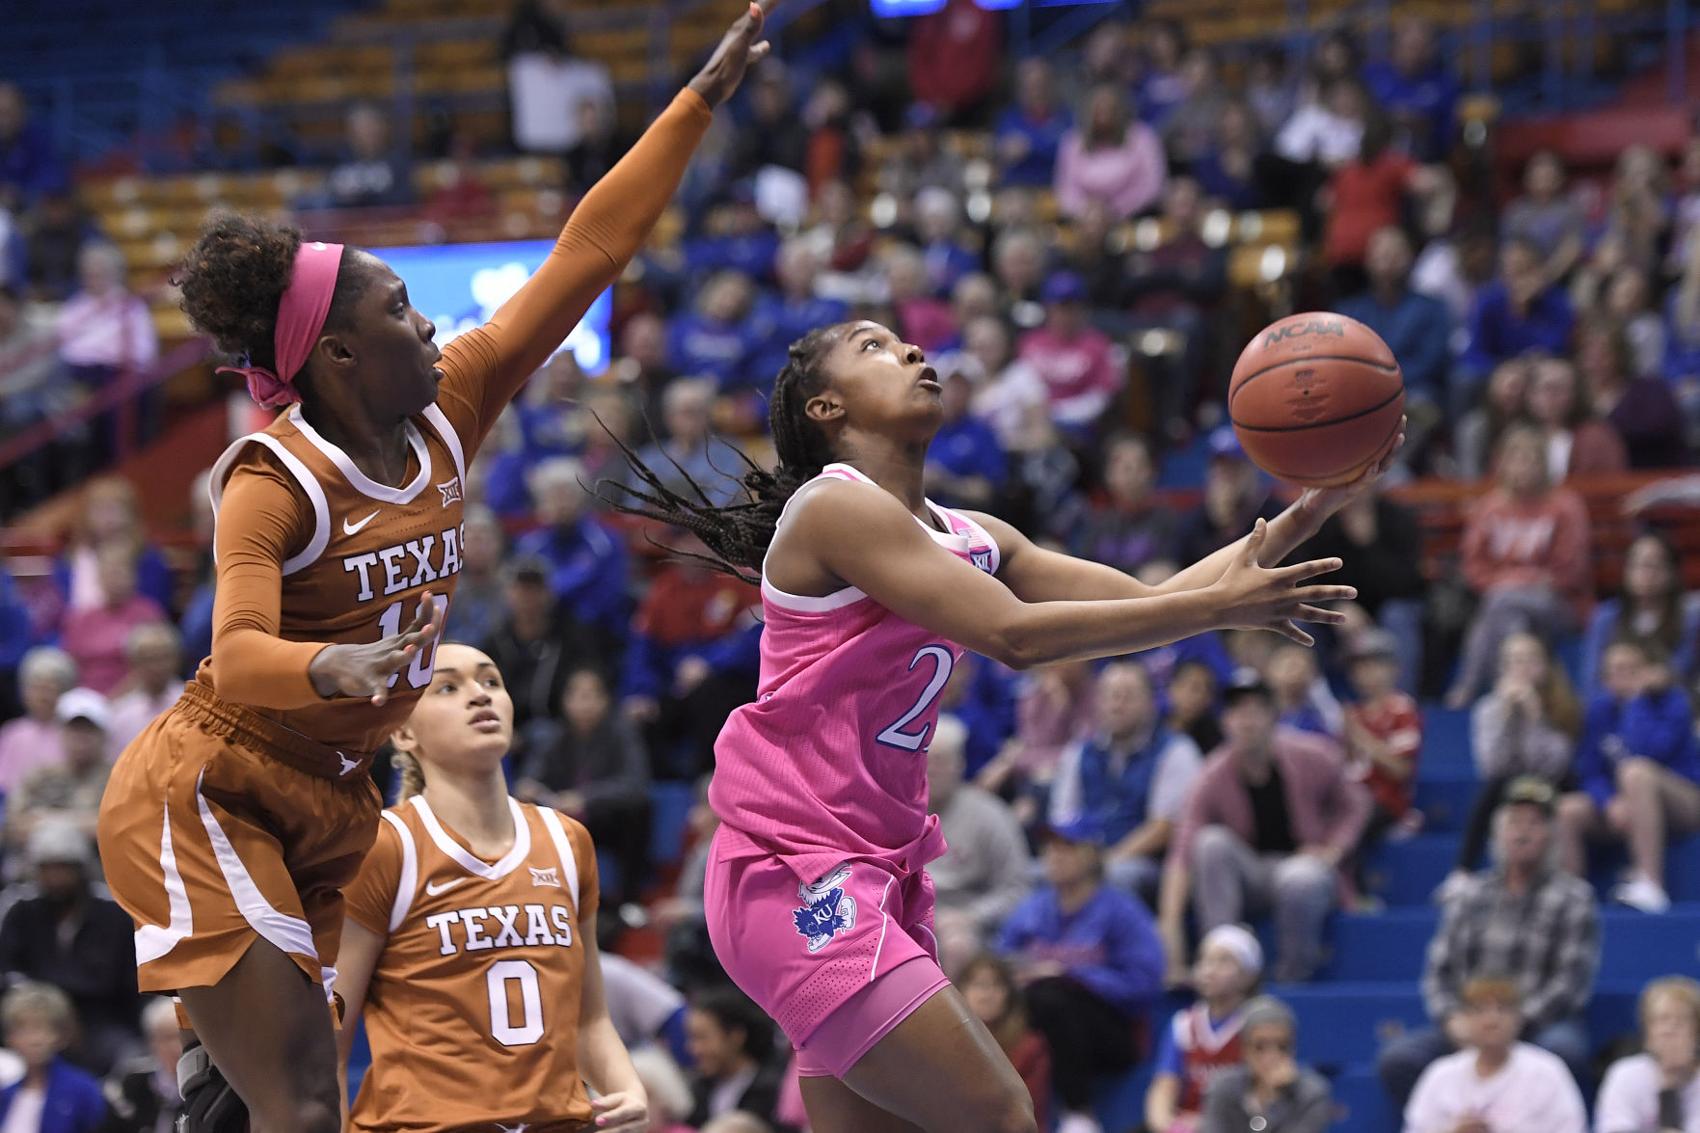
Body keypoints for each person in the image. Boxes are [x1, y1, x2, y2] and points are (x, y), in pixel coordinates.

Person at [92, 13, 770, 1133]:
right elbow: (236, 654)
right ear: (341, 354)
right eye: (400, 308)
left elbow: (588, 252)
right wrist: (335, 663)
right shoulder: (274, 479)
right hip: (212, 786)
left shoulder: (450, 400)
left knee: (251, 1097)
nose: (430, 320)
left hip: (335, 789)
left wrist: (694, 101)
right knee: (309, 1100)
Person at [608, 300, 1387, 1131]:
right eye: (875, 346)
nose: (911, 348)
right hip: (793, 869)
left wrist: (1310, 510)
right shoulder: (832, 507)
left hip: (877, 869)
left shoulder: (970, 533)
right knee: (1003, 1115)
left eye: (905, 339)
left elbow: (1152, 601)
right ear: (825, 409)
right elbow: (1013, 635)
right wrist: (1220, 611)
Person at [334, 643, 647, 1132]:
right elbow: (328, 1036)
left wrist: (625, 1086)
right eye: (448, 688)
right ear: (403, 731)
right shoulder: (385, 846)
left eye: (490, 682)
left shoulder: (567, 841)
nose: (479, 696)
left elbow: (589, 1020)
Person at [1377, 778, 1597, 1107]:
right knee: (1397, 1061)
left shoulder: (1574, 898)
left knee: (1566, 1051)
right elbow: (1439, 971)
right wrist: (1454, 1019)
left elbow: (1569, 984)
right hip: (1468, 1023)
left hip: (1536, 1027)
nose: (1523, 832)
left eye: (1535, 823)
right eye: (1514, 822)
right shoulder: (1469, 894)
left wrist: (1509, 1023)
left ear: (1551, 834)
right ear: (1498, 833)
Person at [1160, 671, 1371, 984]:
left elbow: (1355, 803)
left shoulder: (1313, 754)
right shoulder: (1212, 774)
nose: (1247, 721)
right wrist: (1170, 927)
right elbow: (1183, 851)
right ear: (1224, 721)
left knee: (1299, 876)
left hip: (1307, 867)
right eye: (1236, 711)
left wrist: (1334, 849)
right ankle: (1223, 965)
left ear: (1274, 716)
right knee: (1210, 843)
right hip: (1253, 874)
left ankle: (1293, 981)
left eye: (1256, 710)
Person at [998, 820, 1165, 1133]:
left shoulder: (1122, 910)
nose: (1055, 856)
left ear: (1091, 856)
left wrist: (1072, 974)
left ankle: (1079, 1113)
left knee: (1051, 995)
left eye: (1067, 848)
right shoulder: (1033, 908)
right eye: (1050, 848)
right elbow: (1000, 963)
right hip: (1043, 1018)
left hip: (1113, 1033)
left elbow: (1144, 981)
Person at [1445, 425, 1592, 708]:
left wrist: (1514, 581)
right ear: (1502, 463)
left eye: (1531, 459)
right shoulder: (1489, 507)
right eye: (1516, 458)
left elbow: (1570, 569)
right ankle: (1518, 688)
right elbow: (1473, 565)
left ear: (1544, 464)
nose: (1523, 466)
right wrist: (1511, 584)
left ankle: (1469, 684)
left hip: (1560, 603)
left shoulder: (1565, 505)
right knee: (1509, 613)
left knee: (1501, 603)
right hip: (1503, 602)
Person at [1556, 639, 1700, 913]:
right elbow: (1590, 771)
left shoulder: (1672, 702)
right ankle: (1572, 900)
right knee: (1566, 809)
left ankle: (1650, 882)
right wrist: (1608, 801)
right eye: (1615, 671)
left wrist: (1638, 703)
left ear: (1648, 670)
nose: (1623, 677)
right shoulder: (1599, 711)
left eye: (1632, 669)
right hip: (1625, 806)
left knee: (1636, 772)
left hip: (1684, 801)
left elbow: (1650, 749)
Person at [1047, 662, 1204, 897]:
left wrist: (1106, 861)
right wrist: (1079, 861)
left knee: (1118, 877)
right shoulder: (1079, 752)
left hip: (1147, 864)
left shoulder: (1176, 750)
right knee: (1035, 875)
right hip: (1084, 858)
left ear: (1151, 703)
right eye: (1110, 696)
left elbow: (1164, 827)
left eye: (1127, 697)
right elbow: (1063, 819)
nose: (1116, 705)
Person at [0, 822, 138, 1073]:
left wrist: (73, 1012)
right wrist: (42, 1002)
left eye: (63, 869)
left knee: (129, 1059)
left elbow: (123, 977)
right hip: (33, 1013)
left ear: (82, 870)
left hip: (99, 1018)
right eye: (47, 870)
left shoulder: (112, 914)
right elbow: (8, 968)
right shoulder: (21, 911)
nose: (55, 878)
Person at [516, 666, 651, 906]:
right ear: (566, 701)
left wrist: (585, 798)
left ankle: (628, 903)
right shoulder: (555, 736)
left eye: (591, 696)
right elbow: (531, 778)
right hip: (564, 819)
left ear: (605, 700)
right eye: (577, 695)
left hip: (606, 819)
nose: (584, 703)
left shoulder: (622, 733)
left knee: (638, 812)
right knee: (524, 814)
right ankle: (534, 898)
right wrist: (530, 788)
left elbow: (635, 784)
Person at [1452, 632, 1580, 876]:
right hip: (1506, 785)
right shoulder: (1487, 709)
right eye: (1514, 661)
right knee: (1492, 789)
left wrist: (1534, 717)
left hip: (1553, 783)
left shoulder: (1563, 704)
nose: (1522, 668)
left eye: (1530, 660)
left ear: (1544, 667)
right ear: (1503, 668)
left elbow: (1555, 766)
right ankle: (1463, 872)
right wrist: (1507, 718)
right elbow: (1491, 765)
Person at [1401, 977, 1587, 1133]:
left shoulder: (1547, 1071)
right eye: (1480, 1010)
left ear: (1519, 1017)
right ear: (1464, 1018)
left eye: (1503, 1009)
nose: (1491, 1020)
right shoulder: (1440, 1074)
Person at [925, 717, 1033, 975]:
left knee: (956, 945)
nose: (932, 770)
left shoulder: (990, 815)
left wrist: (972, 916)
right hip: (910, 916)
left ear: (959, 765)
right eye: (926, 760)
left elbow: (1017, 888)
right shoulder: (897, 814)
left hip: (969, 919)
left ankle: (955, 1017)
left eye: (941, 761)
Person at [1146, 924, 1262, 1133]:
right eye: (1205, 959)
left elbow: (1264, 1098)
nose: (1210, 969)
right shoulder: (1183, 1024)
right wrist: (1171, 1127)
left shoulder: (1257, 1024)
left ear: (1248, 975)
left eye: (1224, 960)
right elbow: (1163, 1090)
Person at [1336, 227, 1452, 430]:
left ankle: (1397, 462)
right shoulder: (1348, 312)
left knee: (1421, 406)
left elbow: (1432, 360)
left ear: (1410, 257)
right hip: (1362, 392)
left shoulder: (1432, 307)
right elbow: (1339, 362)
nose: (1389, 261)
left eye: (1395, 253)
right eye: (1382, 254)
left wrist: (1386, 382)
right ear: (1368, 261)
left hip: (1413, 390)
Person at [1582, 530, 1700, 702]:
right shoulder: (1606, 617)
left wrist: (1658, 678)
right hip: (1617, 706)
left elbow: (1684, 667)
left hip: (1670, 705)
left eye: (1652, 565)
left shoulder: (1688, 617)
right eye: (1636, 564)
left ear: (1671, 572)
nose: (1644, 573)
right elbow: (1591, 677)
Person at [1341, 628, 1422, 855]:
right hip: (1352, 796)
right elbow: (1346, 765)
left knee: (1350, 824)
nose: (1363, 673)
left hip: (1386, 802)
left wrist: (1359, 736)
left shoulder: (1402, 709)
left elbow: (1401, 770)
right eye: (1358, 667)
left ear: (1392, 668)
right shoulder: (1354, 713)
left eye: (1372, 664)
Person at [1199, 996, 1332, 1133]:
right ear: (1244, 1049)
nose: (1271, 1056)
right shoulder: (1222, 1089)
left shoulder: (1311, 1094)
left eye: (1282, 1046)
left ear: (1293, 1049)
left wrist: (1276, 1099)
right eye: (1260, 1046)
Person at [8, 688, 113, 850]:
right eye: (74, 729)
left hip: (99, 869)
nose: (81, 738)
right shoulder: (40, 776)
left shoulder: (118, 779)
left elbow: (115, 828)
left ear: (103, 735)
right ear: (61, 733)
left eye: (89, 730)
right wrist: (85, 823)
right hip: (37, 869)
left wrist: (47, 819)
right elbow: (16, 826)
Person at [958, 954, 1051, 1132]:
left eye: (996, 985)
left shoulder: (1030, 1047)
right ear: (959, 992)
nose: (987, 994)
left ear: (1009, 994)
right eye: (978, 985)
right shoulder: (947, 1045)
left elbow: (1026, 1112)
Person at [1595, 976, 1700, 1133]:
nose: (1669, 1030)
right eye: (1661, 1020)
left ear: (1696, 1032)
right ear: (1647, 1033)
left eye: (1679, 1021)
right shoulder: (1624, 1075)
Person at [0, 984, 105, 1133]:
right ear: (10, 1038)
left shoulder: (83, 1089)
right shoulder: (5, 1091)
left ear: (61, 1036)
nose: (35, 1040)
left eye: (43, 1029)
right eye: (25, 1030)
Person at [1053, 85, 1166, 221]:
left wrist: (1115, 210)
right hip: (1083, 221)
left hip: (1135, 217)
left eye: (1110, 109)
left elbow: (1151, 186)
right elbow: (1066, 190)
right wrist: (1087, 212)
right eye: (1099, 109)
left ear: (1121, 110)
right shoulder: (1073, 141)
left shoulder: (1142, 138)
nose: (1104, 115)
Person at [684, 988, 790, 1131]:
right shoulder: (699, 1091)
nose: (694, 1049)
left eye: (702, 1038)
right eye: (692, 1038)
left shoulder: (775, 1091)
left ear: (736, 1037)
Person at [1524, 355, 1629, 480]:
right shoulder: (1515, 438)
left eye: (1561, 389)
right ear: (1530, 395)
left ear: (1575, 395)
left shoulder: (1598, 437)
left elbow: (1611, 484)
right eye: (1547, 387)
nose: (1552, 396)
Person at [0, 648, 76, 798]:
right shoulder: (12, 732)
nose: (43, 697)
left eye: (51, 689)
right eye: (37, 689)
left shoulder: (73, 731)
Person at [100, 998, 183, 1133]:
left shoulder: (206, 1083)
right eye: (168, 1038)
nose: (176, 1047)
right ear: (152, 1042)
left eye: (181, 1037)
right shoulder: (129, 1081)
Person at [105, 624, 183, 753]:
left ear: (176, 660)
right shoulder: (121, 713)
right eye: (149, 659)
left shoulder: (192, 705)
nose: (157, 666)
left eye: (164, 657)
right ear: (134, 663)